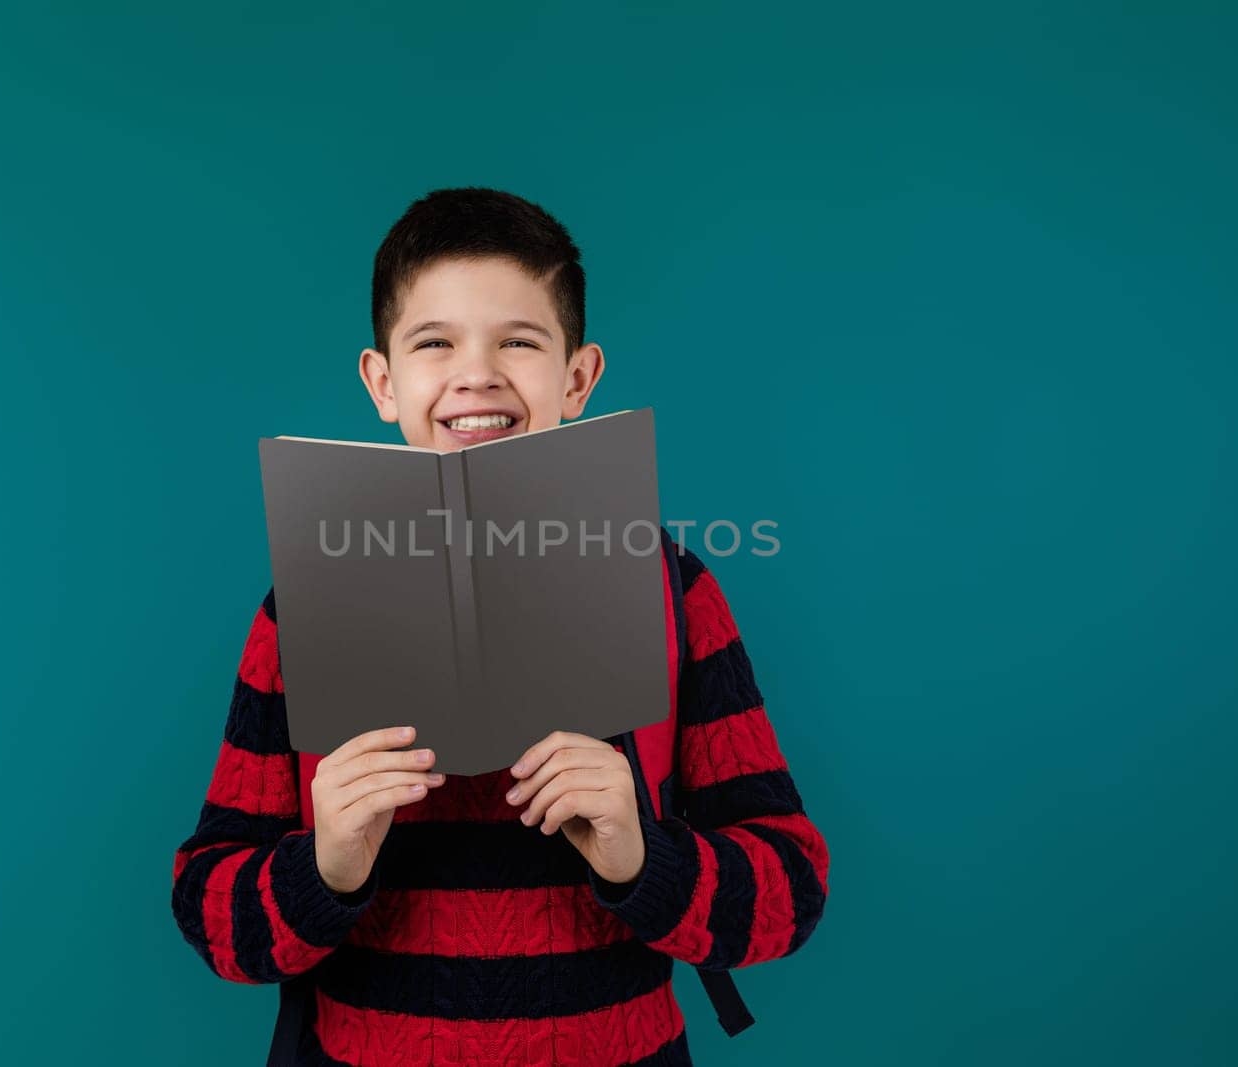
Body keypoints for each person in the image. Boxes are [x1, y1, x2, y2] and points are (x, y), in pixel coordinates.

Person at [171, 187, 830, 1066]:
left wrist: (645, 859)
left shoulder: (671, 585)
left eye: (518, 341)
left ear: (579, 378)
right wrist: (323, 865)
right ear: (382, 382)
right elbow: (213, 916)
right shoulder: (302, 602)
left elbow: (790, 888)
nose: (476, 374)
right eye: (434, 342)